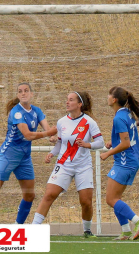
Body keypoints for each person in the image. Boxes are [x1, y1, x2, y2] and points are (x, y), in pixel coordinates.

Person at [0, 82, 57, 224]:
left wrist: (53, 137)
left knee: (29, 195)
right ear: (18, 95)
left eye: (26, 90)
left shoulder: (37, 111)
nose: (23, 93)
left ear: (32, 94)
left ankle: (17, 227)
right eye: (20, 91)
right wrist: (48, 133)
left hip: (24, 158)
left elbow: (48, 129)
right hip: (8, 156)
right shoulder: (16, 112)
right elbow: (27, 135)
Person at [32, 91, 104, 238]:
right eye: (67, 100)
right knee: (49, 194)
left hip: (83, 166)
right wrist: (52, 153)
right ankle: (34, 229)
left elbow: (100, 143)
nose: (67, 102)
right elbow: (60, 144)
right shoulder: (61, 122)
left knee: (86, 202)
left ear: (79, 104)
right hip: (64, 164)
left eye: (71, 100)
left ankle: (87, 230)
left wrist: (87, 144)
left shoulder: (89, 122)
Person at [100, 86, 139, 241]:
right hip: (131, 160)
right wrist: (112, 142)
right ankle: (126, 231)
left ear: (114, 100)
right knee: (115, 198)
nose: (107, 97)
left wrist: (108, 153)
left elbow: (126, 143)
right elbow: (125, 138)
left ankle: (138, 222)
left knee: (111, 199)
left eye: (109, 94)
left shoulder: (119, 117)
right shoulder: (127, 114)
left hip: (125, 162)